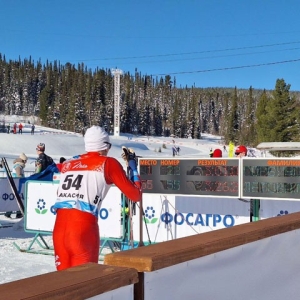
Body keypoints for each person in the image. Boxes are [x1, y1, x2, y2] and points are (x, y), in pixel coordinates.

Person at [52, 125, 142, 271]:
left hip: (59, 230)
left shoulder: (69, 163)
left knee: (64, 286)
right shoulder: (108, 163)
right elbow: (135, 194)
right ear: (105, 146)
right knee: (87, 287)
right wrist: (133, 166)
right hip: (83, 229)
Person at [5, 153, 28, 219]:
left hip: (17, 184)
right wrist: (23, 179)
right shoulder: (18, 166)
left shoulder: (18, 165)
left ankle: (14, 212)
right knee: (18, 199)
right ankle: (16, 212)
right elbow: (19, 175)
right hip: (17, 184)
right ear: (23, 160)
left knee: (16, 199)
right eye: (25, 161)